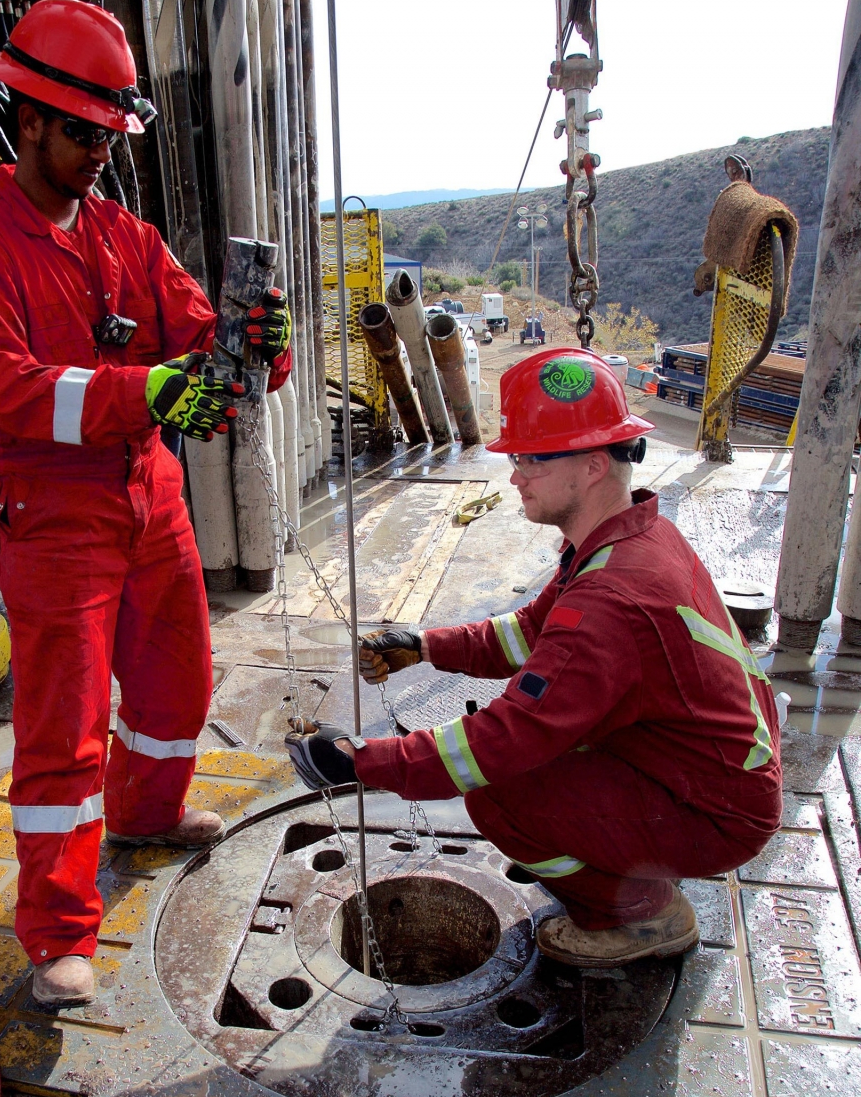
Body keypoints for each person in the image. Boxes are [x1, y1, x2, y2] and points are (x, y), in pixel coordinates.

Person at [0, 0, 291, 1005]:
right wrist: (151, 390)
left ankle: (147, 811)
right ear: (29, 118)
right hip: (54, 515)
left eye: (111, 134)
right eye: (82, 132)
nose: (100, 151)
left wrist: (256, 342)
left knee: (176, 688)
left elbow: (199, 337)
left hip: (149, 498)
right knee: (65, 729)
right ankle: (57, 933)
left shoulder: (125, 236)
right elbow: (2, 388)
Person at [286, 348, 783, 968]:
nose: (515, 476)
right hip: (707, 775)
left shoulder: (612, 599)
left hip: (713, 813)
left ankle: (636, 916)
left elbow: (502, 742)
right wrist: (423, 646)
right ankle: (632, 852)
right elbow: (530, 632)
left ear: (595, 465)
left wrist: (364, 762)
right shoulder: (629, 537)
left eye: (530, 460)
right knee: (536, 757)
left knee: (501, 792)